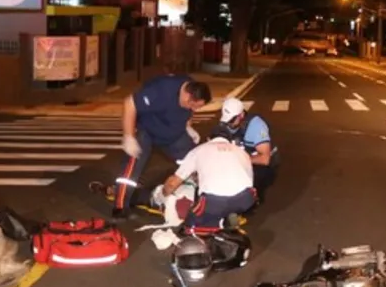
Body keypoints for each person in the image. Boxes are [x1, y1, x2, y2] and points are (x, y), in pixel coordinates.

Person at [112, 74, 212, 220]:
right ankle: (120, 206)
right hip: (147, 131)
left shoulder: (193, 87)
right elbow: (130, 103)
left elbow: (189, 112)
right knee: (132, 166)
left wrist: (188, 126)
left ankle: (198, 199)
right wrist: (128, 136)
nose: (194, 110)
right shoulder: (162, 89)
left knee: (193, 160)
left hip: (174, 134)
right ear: (186, 97)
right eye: (193, 106)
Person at [159, 125, 256, 232]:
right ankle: (229, 215)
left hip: (215, 201)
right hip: (246, 198)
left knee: (190, 227)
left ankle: (218, 223)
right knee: (227, 204)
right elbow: (249, 180)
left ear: (209, 139)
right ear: (230, 140)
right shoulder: (242, 152)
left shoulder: (199, 150)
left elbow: (172, 183)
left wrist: (163, 194)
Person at [218, 97, 279, 204]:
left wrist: (239, 159)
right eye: (227, 120)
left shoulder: (256, 126)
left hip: (260, 163)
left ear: (241, 115)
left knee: (248, 194)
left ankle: (254, 197)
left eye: (232, 120)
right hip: (240, 158)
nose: (229, 124)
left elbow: (265, 159)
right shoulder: (227, 124)